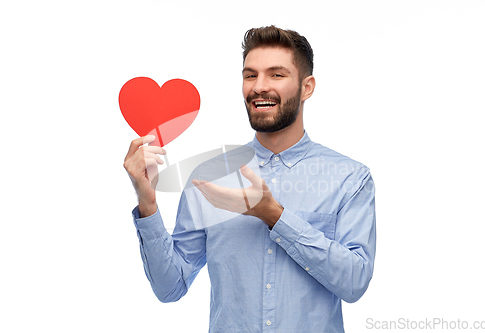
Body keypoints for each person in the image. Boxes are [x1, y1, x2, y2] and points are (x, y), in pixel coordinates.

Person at [124, 25, 376, 333]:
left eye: (276, 75)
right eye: (250, 75)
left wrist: (274, 215)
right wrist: (147, 202)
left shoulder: (349, 178)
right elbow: (170, 287)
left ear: (306, 87)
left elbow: (354, 282)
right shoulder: (209, 177)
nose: (259, 86)